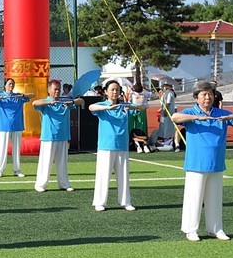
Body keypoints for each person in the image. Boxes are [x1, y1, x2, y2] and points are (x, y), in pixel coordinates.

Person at [172, 81, 233, 241]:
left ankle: (216, 229)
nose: (207, 97)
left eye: (210, 94)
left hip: (216, 163)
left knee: (215, 198)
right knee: (194, 197)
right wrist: (197, 117)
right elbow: (175, 117)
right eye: (203, 95)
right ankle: (191, 229)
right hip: (196, 163)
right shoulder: (190, 112)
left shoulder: (221, 113)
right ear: (196, 98)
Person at [89, 80, 143, 212]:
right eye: (112, 89)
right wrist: (107, 108)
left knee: (123, 175)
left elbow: (142, 107)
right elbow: (91, 107)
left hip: (122, 145)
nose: (115, 92)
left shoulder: (124, 106)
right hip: (106, 146)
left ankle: (125, 201)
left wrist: (133, 107)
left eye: (117, 90)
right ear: (106, 92)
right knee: (103, 175)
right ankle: (100, 202)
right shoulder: (102, 105)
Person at [32, 79, 85, 192]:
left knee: (62, 163)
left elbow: (81, 101)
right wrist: (49, 102)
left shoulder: (64, 102)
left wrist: (71, 102)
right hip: (49, 137)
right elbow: (34, 103)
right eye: (55, 89)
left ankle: (64, 184)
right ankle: (40, 184)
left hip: (63, 136)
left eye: (59, 89)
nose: (57, 91)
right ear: (49, 90)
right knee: (46, 162)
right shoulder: (45, 102)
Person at [0, 78, 30, 178]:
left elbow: (31, 96)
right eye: (9, 84)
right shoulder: (0, 96)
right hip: (3, 127)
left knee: (16, 149)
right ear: (5, 86)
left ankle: (17, 170)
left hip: (17, 126)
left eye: (13, 84)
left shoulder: (18, 96)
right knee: (2, 149)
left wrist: (22, 95)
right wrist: (1, 97)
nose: (11, 86)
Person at [156, 81, 179, 151]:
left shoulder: (170, 93)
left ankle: (168, 139)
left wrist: (166, 111)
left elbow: (168, 103)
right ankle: (164, 139)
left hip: (168, 111)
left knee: (168, 125)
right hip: (164, 111)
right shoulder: (166, 93)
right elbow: (163, 102)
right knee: (163, 125)